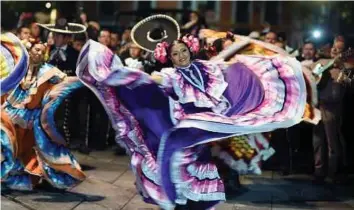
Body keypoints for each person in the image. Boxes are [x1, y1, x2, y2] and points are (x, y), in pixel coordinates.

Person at [77, 15, 306, 209]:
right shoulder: (170, 75)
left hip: (206, 127)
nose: (181, 56)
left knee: (201, 173)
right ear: (170, 58)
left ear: (190, 49)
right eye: (175, 54)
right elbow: (148, 80)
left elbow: (229, 71)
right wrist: (116, 74)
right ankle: (177, 199)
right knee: (179, 166)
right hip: (187, 129)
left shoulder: (207, 67)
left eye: (183, 51)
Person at [0, 33, 85, 190]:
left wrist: (85, 80)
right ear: (30, 51)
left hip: (31, 117)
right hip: (11, 110)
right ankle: (9, 176)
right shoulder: (21, 66)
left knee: (25, 148)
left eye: (41, 51)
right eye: (36, 50)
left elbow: (65, 80)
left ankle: (25, 176)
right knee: (8, 143)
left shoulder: (48, 71)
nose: (38, 53)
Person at [38, 18, 90, 154]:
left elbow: (81, 77)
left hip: (69, 96)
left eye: (59, 35)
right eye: (54, 34)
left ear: (67, 38)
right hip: (48, 93)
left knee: (65, 122)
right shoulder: (47, 52)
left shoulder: (76, 54)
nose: (55, 38)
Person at [311, 36, 350, 184]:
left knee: (331, 142)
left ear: (345, 52)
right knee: (317, 141)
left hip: (332, 108)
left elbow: (349, 85)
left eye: (339, 49)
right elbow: (310, 76)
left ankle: (331, 174)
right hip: (317, 106)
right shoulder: (321, 63)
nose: (334, 50)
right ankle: (318, 171)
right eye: (334, 47)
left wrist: (342, 71)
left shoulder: (346, 68)